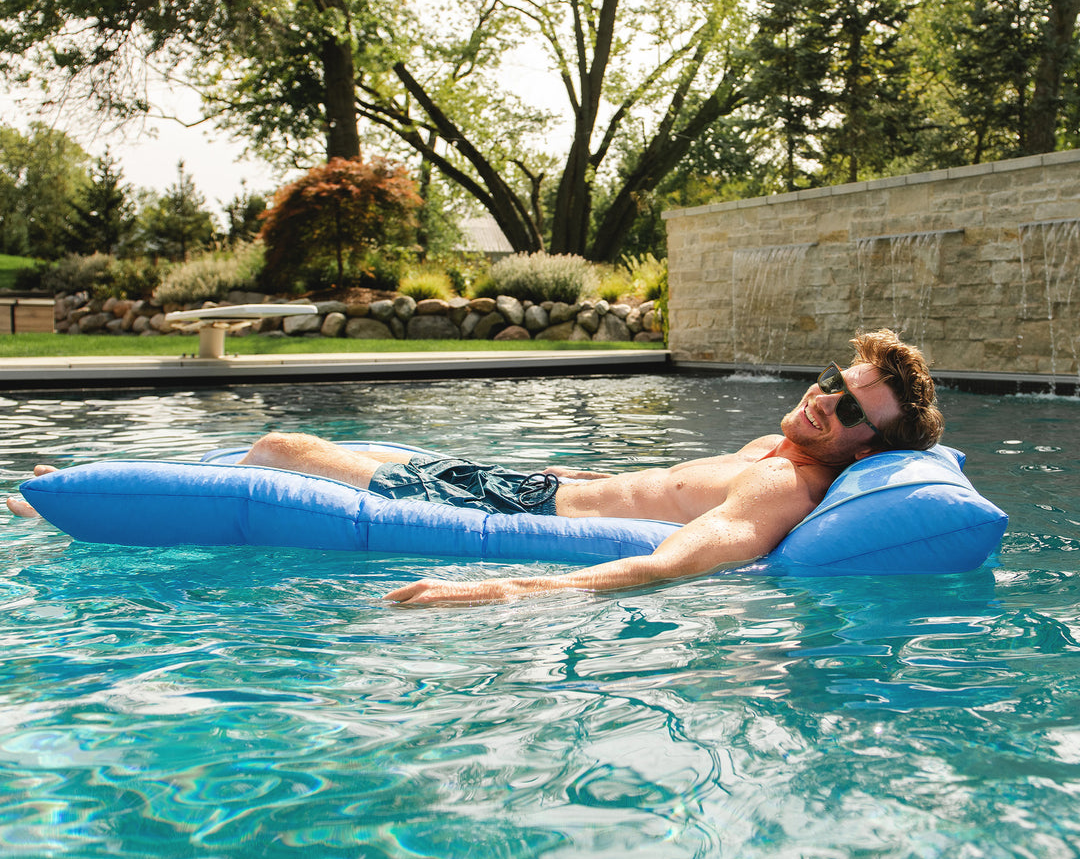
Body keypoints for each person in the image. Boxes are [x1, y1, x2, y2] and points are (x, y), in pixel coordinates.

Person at [7, 329, 943, 605]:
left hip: (526, 511)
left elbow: (669, 566)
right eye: (834, 379)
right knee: (290, 450)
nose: (827, 397)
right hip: (519, 483)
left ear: (867, 442)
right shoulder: (774, 446)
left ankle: (51, 500)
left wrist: (493, 594)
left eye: (851, 406)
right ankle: (98, 482)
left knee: (283, 449)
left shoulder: (781, 482)